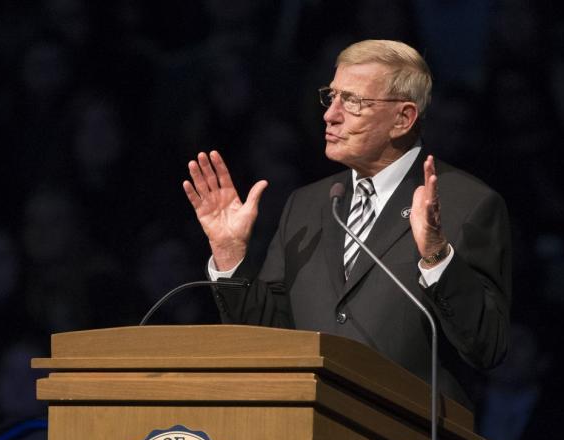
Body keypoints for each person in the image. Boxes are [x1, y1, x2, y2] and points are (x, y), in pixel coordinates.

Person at [183, 39, 510, 410]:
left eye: (352, 101)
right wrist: (230, 257)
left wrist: (436, 255)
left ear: (403, 118)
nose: (330, 114)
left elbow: (488, 346)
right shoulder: (307, 205)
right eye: (331, 96)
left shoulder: (466, 205)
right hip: (309, 437)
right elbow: (270, 335)